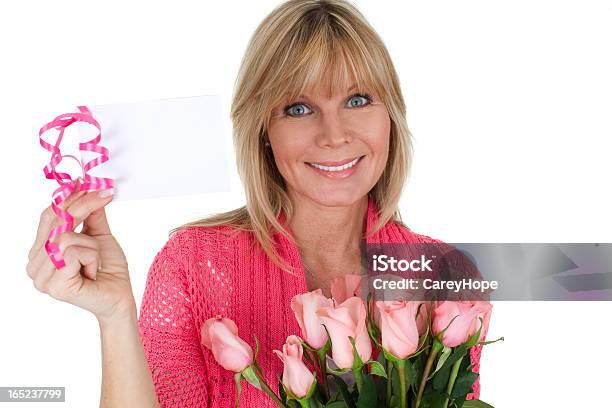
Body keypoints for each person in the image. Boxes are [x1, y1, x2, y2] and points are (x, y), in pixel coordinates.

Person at [26, 0, 487, 406]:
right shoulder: (193, 265)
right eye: (299, 108)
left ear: (391, 117)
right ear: (263, 132)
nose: (334, 135)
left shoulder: (444, 271)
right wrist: (116, 316)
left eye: (359, 99)